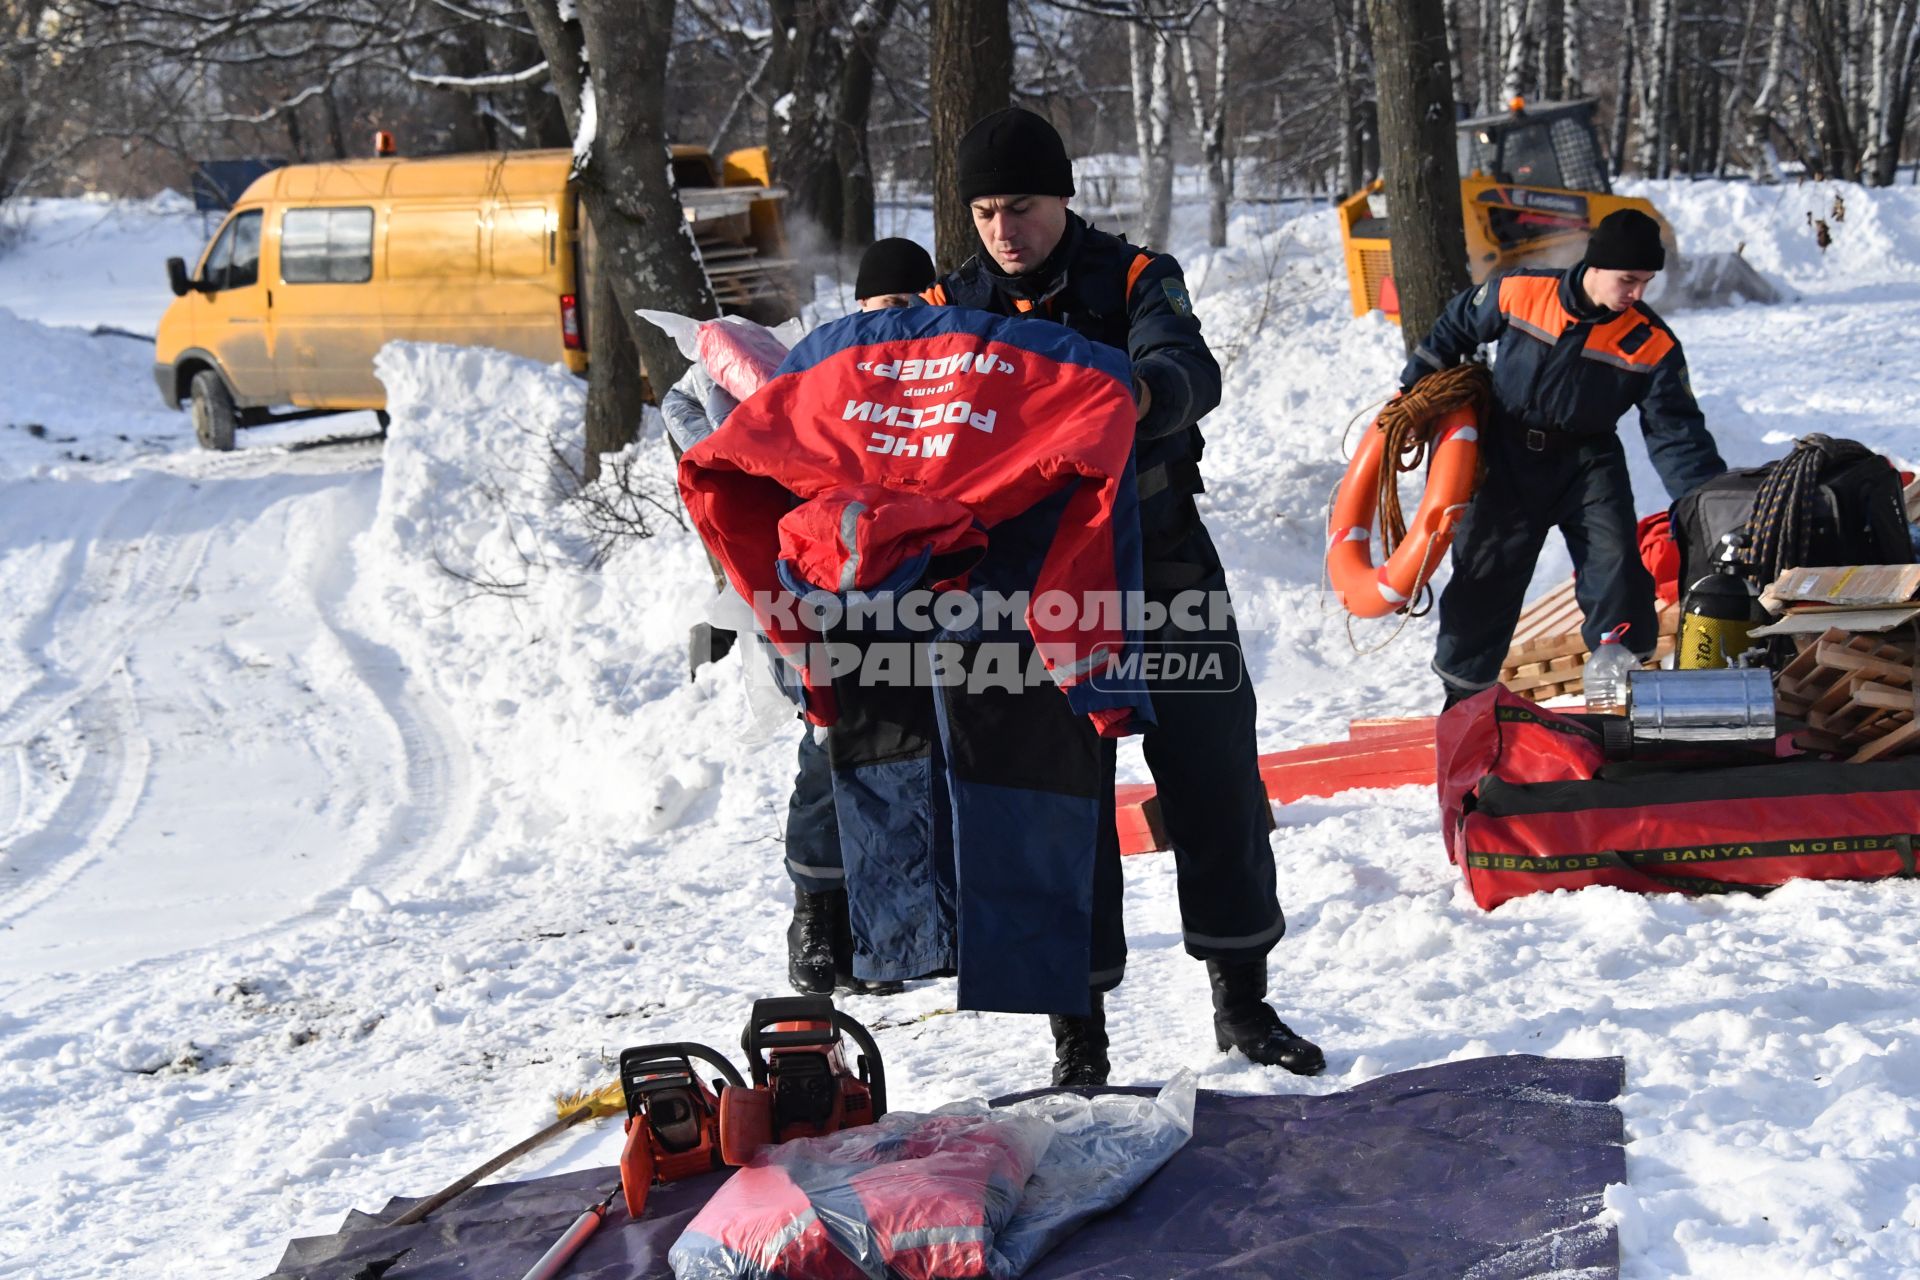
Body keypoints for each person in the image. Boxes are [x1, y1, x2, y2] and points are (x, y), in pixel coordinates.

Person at [923, 107, 1325, 1085]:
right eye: (984, 212)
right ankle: (1080, 1043)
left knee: (1216, 778)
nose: (1002, 231)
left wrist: (1136, 396)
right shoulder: (950, 300)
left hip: (1158, 560)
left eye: (1019, 206)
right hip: (1026, 587)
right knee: (1056, 808)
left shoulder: (1137, 277)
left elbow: (1189, 365)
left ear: (1061, 196)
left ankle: (1244, 1001)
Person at [1401, 208, 1726, 709]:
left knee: (1616, 563)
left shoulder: (1651, 342)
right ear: (1596, 266)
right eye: (1629, 280)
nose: (1637, 293)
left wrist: (1709, 503)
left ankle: (1619, 677)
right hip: (1505, 454)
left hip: (1588, 461)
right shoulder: (1522, 291)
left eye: (1646, 282)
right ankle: (1463, 700)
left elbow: (1676, 432)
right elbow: (1456, 326)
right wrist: (1414, 386)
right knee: (1484, 573)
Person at [782, 236, 939, 998]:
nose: (892, 320)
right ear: (858, 308)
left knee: (907, 768)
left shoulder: (953, 368)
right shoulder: (823, 364)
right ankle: (817, 916)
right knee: (828, 757)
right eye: (880, 306)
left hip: (921, 595)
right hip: (827, 593)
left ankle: (892, 936)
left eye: (907, 305)